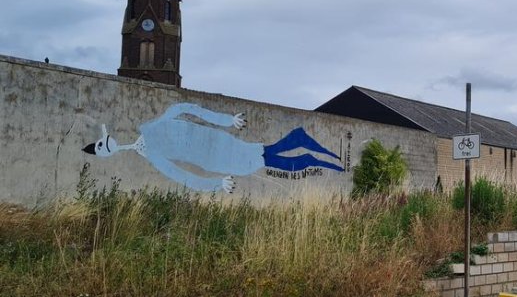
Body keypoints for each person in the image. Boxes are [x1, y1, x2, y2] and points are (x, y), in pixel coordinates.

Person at [82, 102, 343, 193]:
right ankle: (311, 152)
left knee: (264, 155)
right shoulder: (152, 155)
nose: (109, 145)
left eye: (103, 143)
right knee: (265, 156)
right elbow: (183, 177)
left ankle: (309, 151)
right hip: (218, 160)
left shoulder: (149, 127)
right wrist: (215, 184)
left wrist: (226, 120)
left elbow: (187, 109)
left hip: (220, 144)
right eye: (105, 148)